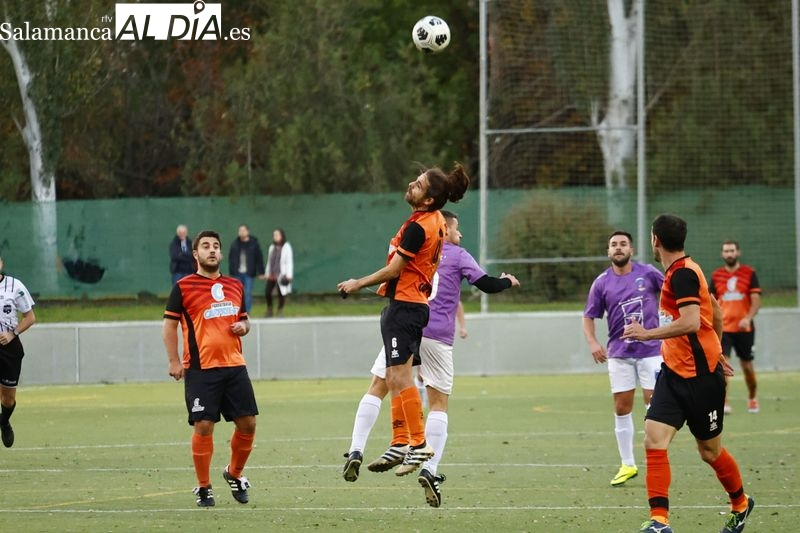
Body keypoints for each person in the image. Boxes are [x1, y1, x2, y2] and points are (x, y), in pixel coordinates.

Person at [342, 210, 520, 509]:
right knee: (438, 402)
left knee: (379, 385)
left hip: (405, 323)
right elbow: (486, 284)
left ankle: (356, 448)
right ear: (445, 229)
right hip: (437, 335)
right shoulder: (458, 254)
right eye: (457, 228)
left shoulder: (417, 250)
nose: (459, 234)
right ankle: (429, 468)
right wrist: (507, 282)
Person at [337, 163, 470, 482]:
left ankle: (418, 443)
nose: (412, 184)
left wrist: (359, 282)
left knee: (398, 378)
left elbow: (395, 269)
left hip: (406, 307)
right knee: (395, 377)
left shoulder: (417, 227)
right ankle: (402, 441)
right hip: (415, 307)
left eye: (420, 184)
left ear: (428, 200)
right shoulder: (437, 219)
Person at [622, 214, 754, 533]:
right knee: (654, 440)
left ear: (655, 240)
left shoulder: (682, 274)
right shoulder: (682, 270)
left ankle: (741, 503)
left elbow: (693, 321)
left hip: (702, 380)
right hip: (673, 374)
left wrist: (646, 333)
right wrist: (719, 349)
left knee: (709, 451)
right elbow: (716, 312)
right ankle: (659, 521)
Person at [162, 230, 259, 507]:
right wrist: (173, 361)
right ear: (196, 254)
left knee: (248, 423)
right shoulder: (183, 286)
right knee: (204, 425)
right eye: (205, 246)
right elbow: (169, 325)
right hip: (201, 368)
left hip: (234, 366)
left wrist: (245, 327)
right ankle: (204, 487)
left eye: (216, 246)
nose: (212, 250)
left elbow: (244, 320)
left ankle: (234, 473)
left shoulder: (235, 285)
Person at [582, 231, 664, 487]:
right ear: (608, 252)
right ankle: (627, 464)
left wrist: (671, 323)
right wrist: (593, 342)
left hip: (651, 351)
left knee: (655, 409)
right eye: (614, 245)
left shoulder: (648, 272)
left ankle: (656, 460)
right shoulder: (602, 282)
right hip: (620, 354)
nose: (618, 248)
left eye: (623, 244)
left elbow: (670, 292)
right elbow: (589, 316)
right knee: (621, 408)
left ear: (631, 249)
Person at [709, 241, 762, 414]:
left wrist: (748, 318)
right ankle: (724, 402)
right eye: (726, 251)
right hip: (724, 329)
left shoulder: (749, 273)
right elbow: (711, 301)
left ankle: (752, 397)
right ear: (722, 254)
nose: (729, 254)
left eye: (732, 250)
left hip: (744, 329)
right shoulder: (716, 275)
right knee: (723, 365)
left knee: (747, 366)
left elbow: (756, 301)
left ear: (738, 252)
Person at [0, 256, 36, 449]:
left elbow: (30, 317)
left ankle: (4, 422)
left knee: (8, 399)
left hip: (9, 348)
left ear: (1, 263)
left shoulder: (15, 286)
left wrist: (12, 334)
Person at [227, 225, 265, 314]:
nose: (241, 232)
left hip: (249, 273)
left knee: (247, 293)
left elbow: (259, 258)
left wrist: (261, 272)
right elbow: (231, 258)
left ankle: (246, 313)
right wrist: (232, 271)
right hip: (237, 273)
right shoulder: (235, 244)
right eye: (240, 230)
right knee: (238, 294)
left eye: (243, 230)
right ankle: (238, 311)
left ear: (248, 231)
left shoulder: (254, 244)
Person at [263, 228, 294, 317]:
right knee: (267, 292)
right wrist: (267, 274)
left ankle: (280, 310)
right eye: (274, 235)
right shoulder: (272, 247)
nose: (275, 237)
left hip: (282, 274)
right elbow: (269, 261)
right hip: (272, 274)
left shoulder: (286, 247)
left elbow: (289, 261)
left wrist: (289, 275)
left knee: (281, 293)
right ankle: (269, 310)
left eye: (277, 235)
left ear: (282, 236)